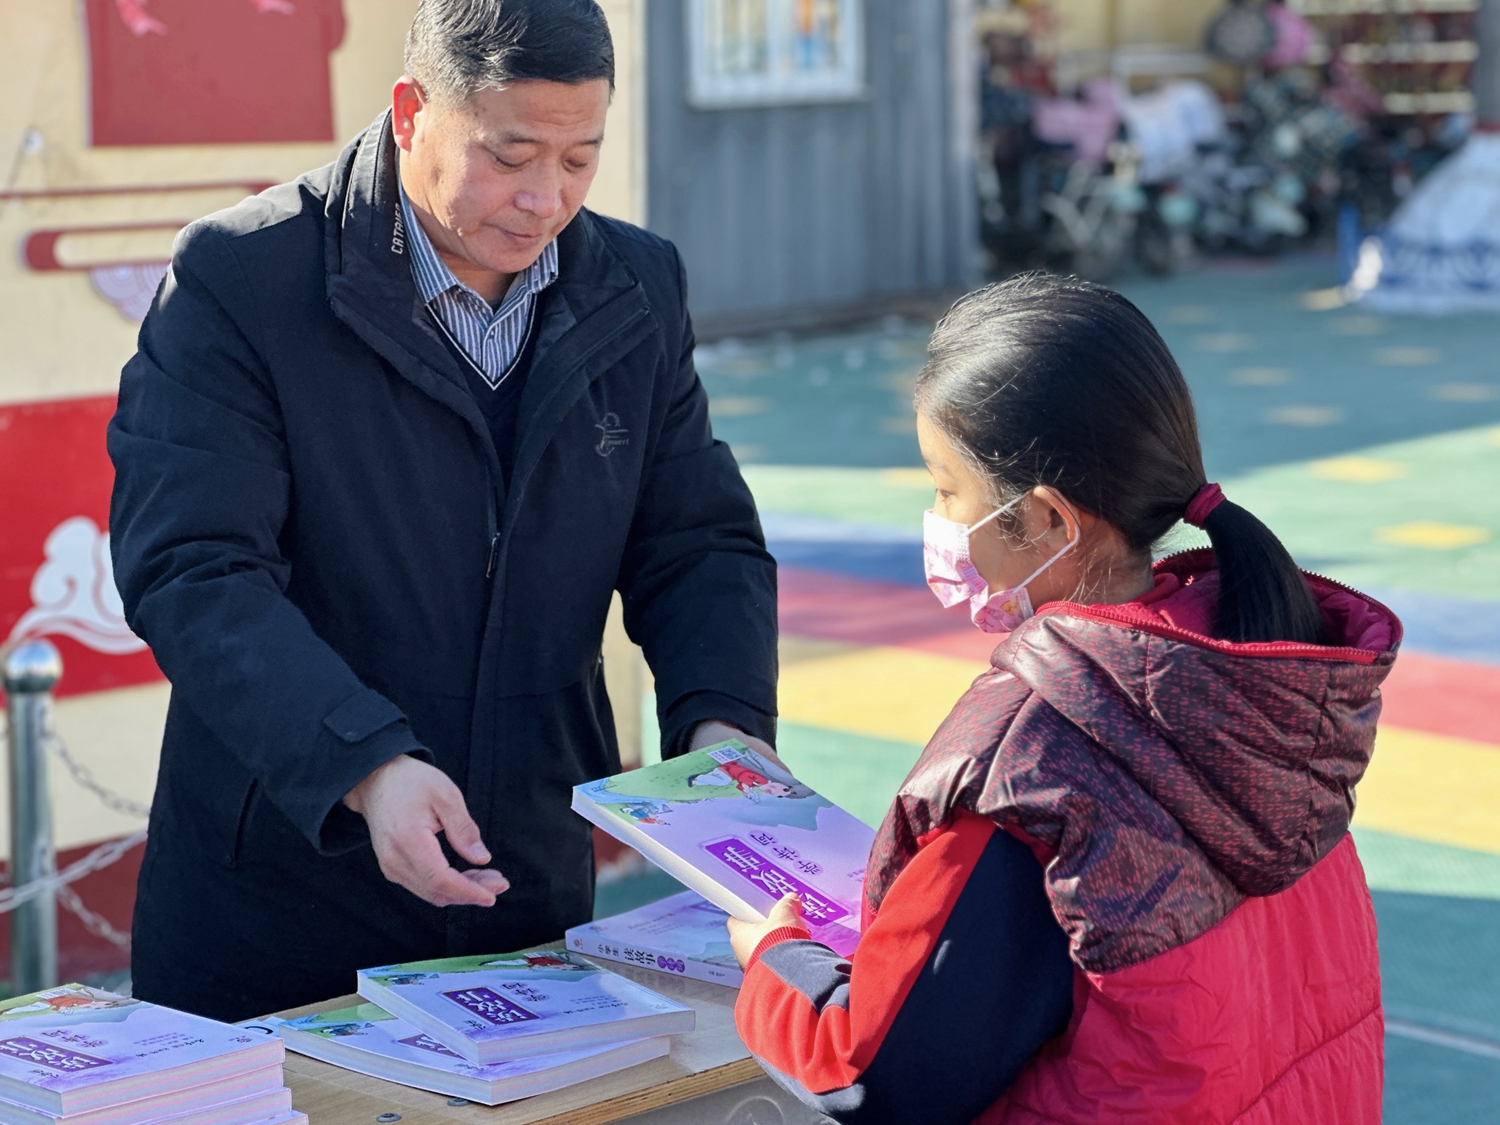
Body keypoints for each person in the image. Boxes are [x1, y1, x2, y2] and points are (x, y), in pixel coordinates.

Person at [108, 0, 777, 1022]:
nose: (543, 199)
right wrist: (366, 766)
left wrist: (723, 721)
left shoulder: (637, 286)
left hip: (526, 875)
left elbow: (693, 540)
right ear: (412, 110)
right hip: (279, 893)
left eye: (579, 159)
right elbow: (193, 567)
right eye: (510, 156)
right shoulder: (241, 280)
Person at [726, 274, 1393, 1124]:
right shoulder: (1271, 664)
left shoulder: (1032, 762)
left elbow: (875, 1074)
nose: (934, 518)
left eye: (944, 488)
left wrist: (778, 960)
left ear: (1045, 518)